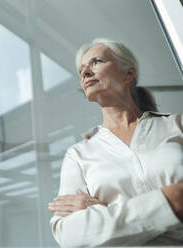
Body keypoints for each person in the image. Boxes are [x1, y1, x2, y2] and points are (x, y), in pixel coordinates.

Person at [48, 38, 183, 247]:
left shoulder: (177, 124)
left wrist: (102, 211)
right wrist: (170, 200)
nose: (85, 73)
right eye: (82, 70)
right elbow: (69, 234)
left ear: (129, 73)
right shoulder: (78, 154)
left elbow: (90, 231)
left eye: (96, 62)